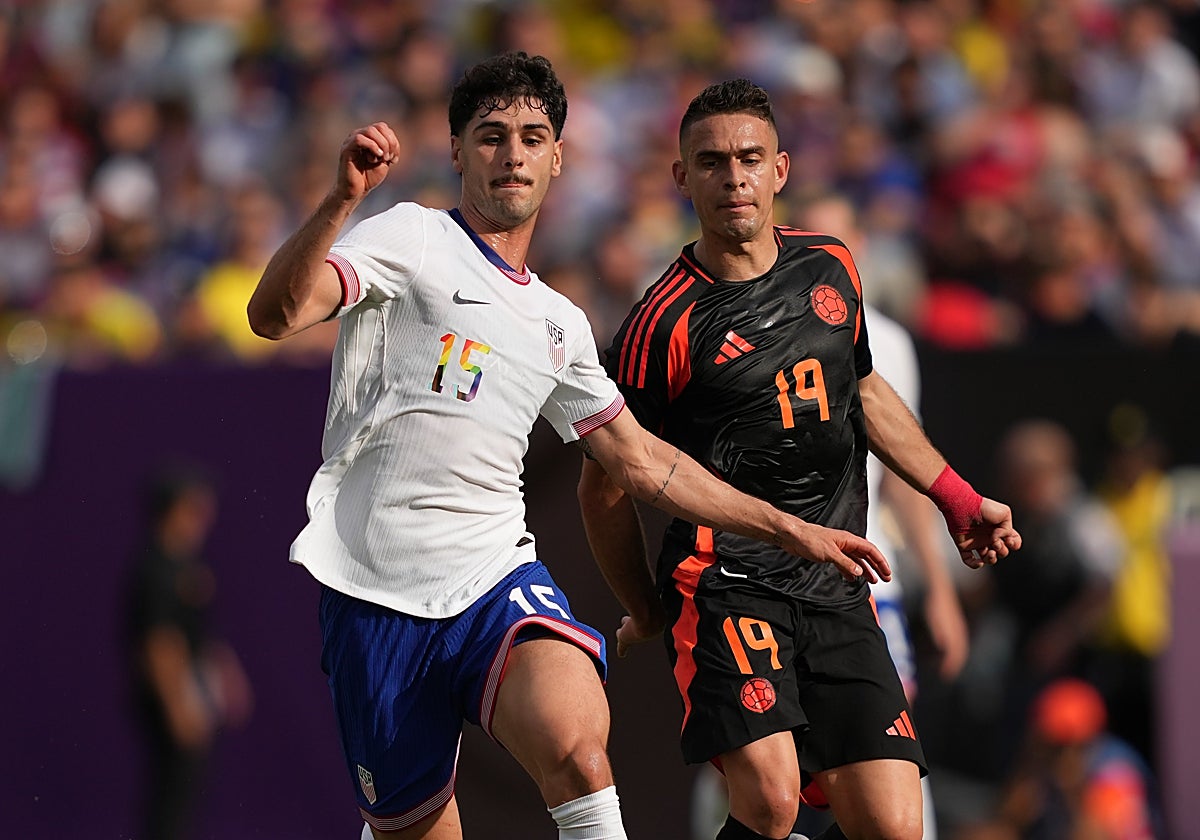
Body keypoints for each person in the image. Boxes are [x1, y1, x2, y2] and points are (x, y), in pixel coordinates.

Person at [247, 53, 890, 840]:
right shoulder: (412, 237)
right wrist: (341, 201)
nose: (511, 154)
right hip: (375, 593)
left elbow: (642, 461)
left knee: (582, 755)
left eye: (530, 136)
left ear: (557, 158)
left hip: (491, 574)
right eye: (489, 136)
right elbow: (273, 316)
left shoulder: (559, 324)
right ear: (457, 152)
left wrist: (787, 526)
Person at [577, 79, 1021, 840]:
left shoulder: (832, 269)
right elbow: (605, 485)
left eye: (750, 158)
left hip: (837, 585)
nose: (733, 177)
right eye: (711, 162)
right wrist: (649, 608)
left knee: (893, 825)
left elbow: (867, 394)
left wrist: (955, 495)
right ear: (682, 178)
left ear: (781, 169)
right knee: (771, 804)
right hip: (726, 585)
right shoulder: (661, 321)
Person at [124, 464, 252, 840]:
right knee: (172, 796)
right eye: (193, 509)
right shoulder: (157, 570)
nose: (203, 519)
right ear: (172, 511)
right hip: (172, 701)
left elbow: (200, 634)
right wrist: (178, 705)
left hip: (190, 695)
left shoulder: (184, 567)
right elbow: (160, 643)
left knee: (184, 794)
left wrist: (226, 677)